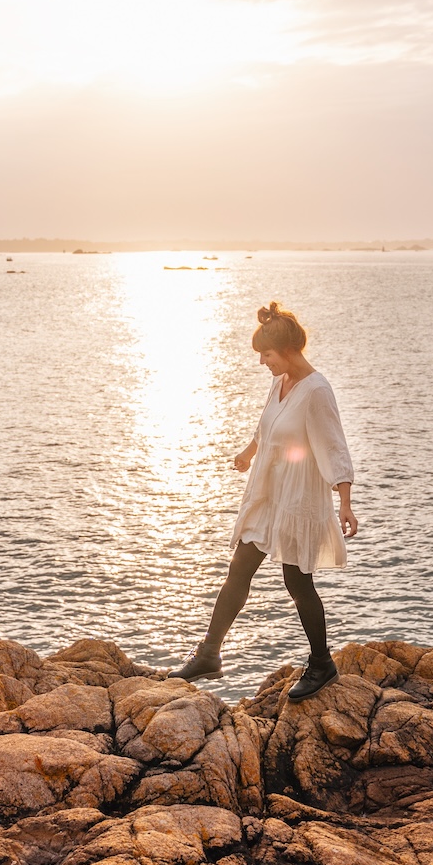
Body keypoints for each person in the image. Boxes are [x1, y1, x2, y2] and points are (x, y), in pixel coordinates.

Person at [168, 301, 357, 702]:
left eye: (265, 355)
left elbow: (334, 446)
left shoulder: (317, 391)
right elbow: (267, 424)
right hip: (268, 490)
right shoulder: (281, 380)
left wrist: (345, 501)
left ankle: (322, 664)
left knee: (297, 580)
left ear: (286, 351)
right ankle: (209, 655)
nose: (261, 362)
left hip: (297, 496)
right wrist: (248, 453)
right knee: (240, 568)